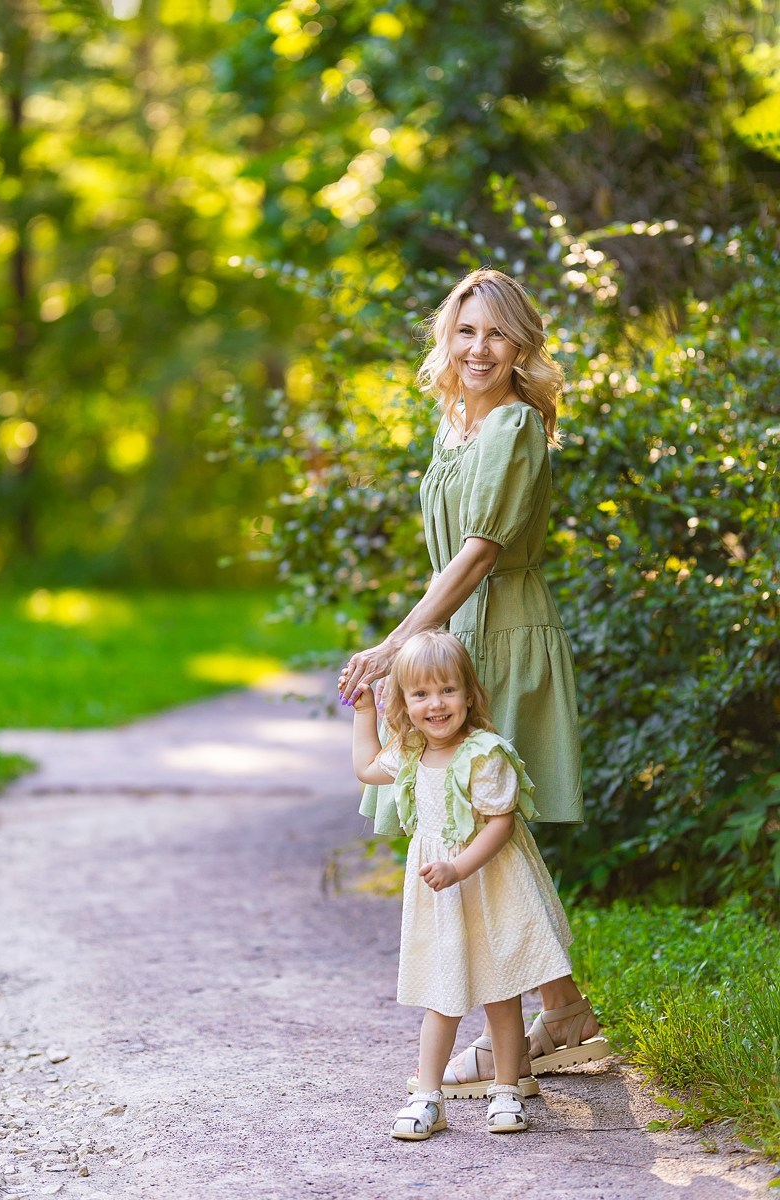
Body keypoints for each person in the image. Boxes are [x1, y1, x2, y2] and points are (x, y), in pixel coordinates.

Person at [338, 266, 609, 1097]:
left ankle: (549, 1020)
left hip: (506, 633)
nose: (480, 348)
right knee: (464, 817)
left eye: (498, 333)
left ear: (521, 345)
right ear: (445, 339)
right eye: (466, 331)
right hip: (457, 636)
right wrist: (417, 646)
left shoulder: (516, 424)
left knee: (488, 820)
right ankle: (561, 1014)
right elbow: (447, 563)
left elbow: (483, 553)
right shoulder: (454, 421)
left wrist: (397, 642)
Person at [350, 629, 573, 1140]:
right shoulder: (410, 752)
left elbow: (500, 824)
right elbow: (365, 768)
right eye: (421, 694)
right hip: (443, 897)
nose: (436, 704)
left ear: (469, 694)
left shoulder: (484, 754)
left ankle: (506, 1088)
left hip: (489, 885)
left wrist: (458, 867)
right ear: (404, 704)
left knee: (501, 991)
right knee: (441, 992)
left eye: (447, 690)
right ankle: (428, 1096)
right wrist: (363, 711)